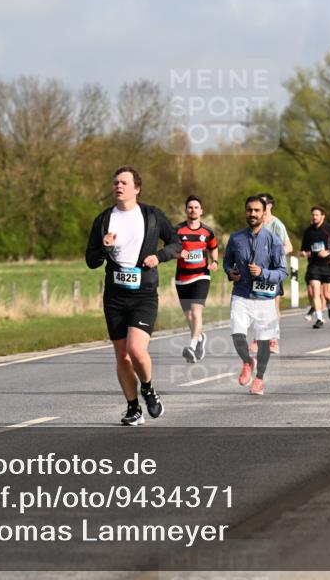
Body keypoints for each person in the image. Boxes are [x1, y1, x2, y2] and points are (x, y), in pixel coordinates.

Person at [85, 167, 181, 426]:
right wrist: (104, 247)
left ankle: (148, 388)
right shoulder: (104, 220)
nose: (118, 186)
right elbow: (91, 260)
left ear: (136, 188)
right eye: (115, 182)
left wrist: (159, 257)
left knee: (136, 350)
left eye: (124, 183)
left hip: (144, 294)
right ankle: (133, 408)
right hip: (115, 297)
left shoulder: (152, 216)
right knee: (122, 356)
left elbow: (176, 243)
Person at [223, 196, 288, 395]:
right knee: (237, 334)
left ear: (264, 213)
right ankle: (247, 361)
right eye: (249, 210)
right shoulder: (236, 238)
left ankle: (259, 378)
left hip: (264, 297)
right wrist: (230, 272)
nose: (252, 214)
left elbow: (283, 272)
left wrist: (263, 273)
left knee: (263, 341)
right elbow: (227, 262)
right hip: (241, 294)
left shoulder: (274, 240)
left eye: (257, 210)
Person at [175, 196, 219, 363]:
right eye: (190, 207)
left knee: (196, 312)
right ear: (186, 210)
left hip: (201, 276)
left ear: (201, 211)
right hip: (182, 278)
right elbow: (170, 249)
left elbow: (214, 248)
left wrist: (215, 262)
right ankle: (200, 338)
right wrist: (179, 254)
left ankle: (192, 346)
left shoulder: (207, 232)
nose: (193, 210)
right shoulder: (178, 230)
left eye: (196, 207)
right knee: (189, 317)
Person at [260, 193, 291, 354]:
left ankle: (273, 340)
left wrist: (274, 256)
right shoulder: (256, 223)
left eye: (263, 203)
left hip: (273, 271)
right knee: (258, 306)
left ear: (270, 205)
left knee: (273, 305)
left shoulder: (277, 224)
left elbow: (289, 247)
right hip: (258, 271)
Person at [300, 206, 330, 329]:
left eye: (317, 215)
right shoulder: (308, 231)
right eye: (313, 215)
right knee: (315, 292)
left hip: (328, 265)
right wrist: (304, 253)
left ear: (323, 216)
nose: (314, 217)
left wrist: (328, 252)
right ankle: (319, 318)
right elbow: (304, 249)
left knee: (327, 294)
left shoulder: (329, 229)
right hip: (314, 265)